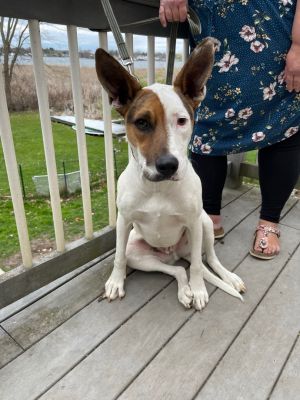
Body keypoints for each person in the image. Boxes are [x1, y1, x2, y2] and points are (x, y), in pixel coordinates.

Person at [159, 0, 300, 260]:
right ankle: (208, 216)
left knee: (282, 125)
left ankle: (269, 221)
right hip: (214, 23)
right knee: (207, 125)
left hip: (276, 26)